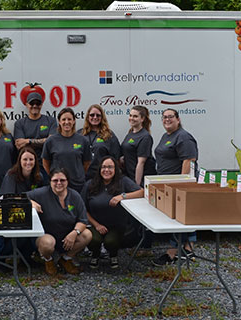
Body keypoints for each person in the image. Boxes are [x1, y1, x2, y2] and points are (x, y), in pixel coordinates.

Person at [152, 108, 199, 266]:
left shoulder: (183, 137)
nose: (167, 119)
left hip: (179, 185)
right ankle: (185, 248)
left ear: (178, 119)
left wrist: (181, 184)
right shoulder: (167, 136)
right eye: (164, 117)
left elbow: (189, 160)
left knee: (181, 217)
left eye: (170, 117)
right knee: (175, 218)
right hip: (167, 184)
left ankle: (178, 250)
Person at [81, 156, 143, 269]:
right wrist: (97, 225)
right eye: (104, 167)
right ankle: (95, 255)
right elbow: (82, 209)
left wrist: (122, 196)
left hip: (116, 226)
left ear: (116, 169)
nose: (106, 170)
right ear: (99, 169)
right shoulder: (90, 184)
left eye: (110, 167)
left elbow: (142, 192)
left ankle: (113, 254)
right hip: (95, 225)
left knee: (111, 242)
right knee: (93, 239)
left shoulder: (123, 181)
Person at [27, 168, 92, 276]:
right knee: (47, 244)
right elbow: (19, 197)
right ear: (50, 181)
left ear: (67, 181)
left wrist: (75, 232)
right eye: (55, 180)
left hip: (67, 237)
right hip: (46, 236)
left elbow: (83, 220)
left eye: (62, 180)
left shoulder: (75, 196)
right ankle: (48, 260)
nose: (59, 183)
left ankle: (66, 259)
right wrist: (31, 203)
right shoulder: (41, 193)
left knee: (87, 235)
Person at [42, 107, 92, 192]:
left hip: (77, 185)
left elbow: (86, 163)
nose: (66, 122)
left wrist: (78, 174)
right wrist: (55, 177)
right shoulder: (51, 141)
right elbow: (46, 162)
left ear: (74, 121)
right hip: (58, 185)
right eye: (64, 119)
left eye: (69, 119)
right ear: (59, 122)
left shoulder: (83, 140)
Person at [14, 91, 57, 179]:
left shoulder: (51, 121)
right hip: (27, 166)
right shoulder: (20, 123)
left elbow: (52, 141)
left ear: (41, 105)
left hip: (46, 165)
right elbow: (19, 145)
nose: (35, 106)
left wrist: (28, 141)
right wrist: (43, 141)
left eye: (38, 103)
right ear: (26, 104)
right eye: (32, 103)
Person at [78, 104, 121, 180]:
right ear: (88, 117)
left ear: (102, 118)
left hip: (102, 177)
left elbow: (116, 159)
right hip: (82, 177)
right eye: (92, 115)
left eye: (98, 115)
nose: (95, 117)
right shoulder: (80, 134)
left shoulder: (109, 135)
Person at [120, 105, 156, 186]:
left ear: (142, 119)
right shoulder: (130, 134)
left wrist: (137, 185)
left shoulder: (145, 137)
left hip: (139, 180)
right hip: (129, 177)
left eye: (135, 116)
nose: (131, 118)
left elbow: (141, 163)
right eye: (130, 115)